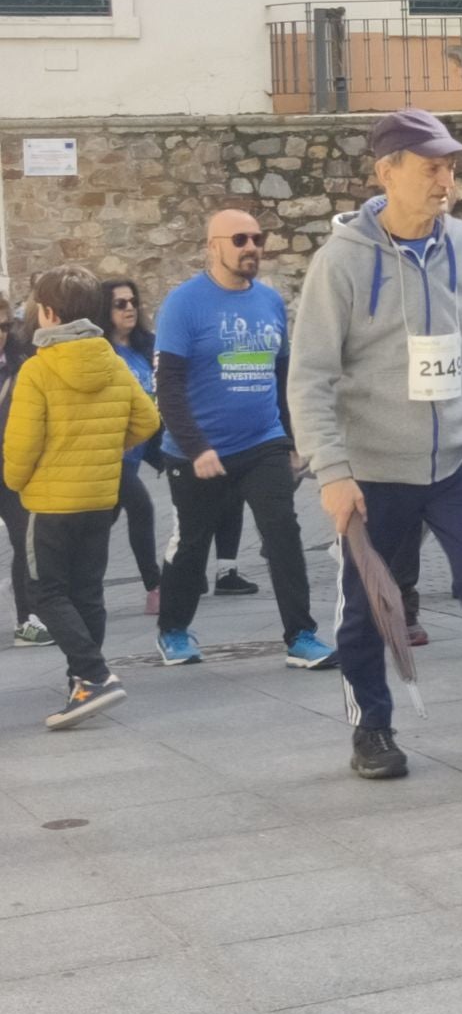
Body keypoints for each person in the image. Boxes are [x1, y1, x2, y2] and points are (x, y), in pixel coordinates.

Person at [288, 107, 462, 786]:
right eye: (431, 168)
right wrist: (332, 471)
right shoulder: (342, 263)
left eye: (450, 167)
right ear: (387, 172)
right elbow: (310, 376)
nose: (446, 180)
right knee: (371, 606)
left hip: (459, 463)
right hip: (373, 470)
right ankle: (372, 729)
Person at [153, 211, 336, 670]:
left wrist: (296, 442)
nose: (251, 246)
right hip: (198, 452)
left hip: (263, 443)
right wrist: (197, 448)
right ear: (212, 246)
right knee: (193, 545)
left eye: (258, 237)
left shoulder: (270, 302)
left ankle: (301, 635)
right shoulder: (183, 303)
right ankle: (173, 629)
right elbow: (168, 385)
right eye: (239, 239)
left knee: (284, 534)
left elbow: (282, 376)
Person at [2, 265, 160, 728]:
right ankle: (81, 683)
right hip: (99, 496)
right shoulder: (111, 359)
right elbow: (147, 421)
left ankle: (93, 676)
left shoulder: (38, 369)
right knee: (88, 591)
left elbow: (22, 445)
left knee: (45, 591)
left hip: (50, 502)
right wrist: (107, 447)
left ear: (48, 312)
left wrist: (17, 481)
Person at [97, 277, 164, 614]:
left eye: (133, 302)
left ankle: (75, 585)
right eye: (120, 304)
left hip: (139, 451)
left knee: (98, 524)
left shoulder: (146, 346)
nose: (129, 309)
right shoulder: (100, 351)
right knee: (141, 508)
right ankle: (156, 587)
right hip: (110, 453)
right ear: (103, 311)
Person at [2, 306, 50, 647]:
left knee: (25, 539)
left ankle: (27, 620)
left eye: (3, 326)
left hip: (11, 467)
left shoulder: (22, 361)